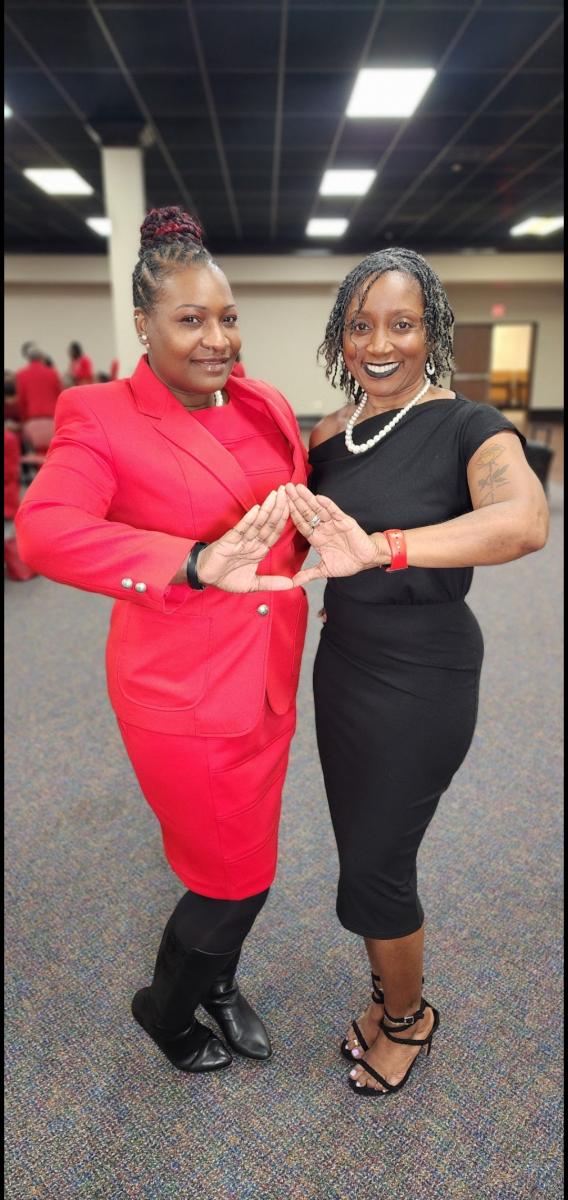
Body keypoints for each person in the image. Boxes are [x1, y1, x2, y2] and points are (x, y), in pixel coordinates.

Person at [16, 206, 309, 1075]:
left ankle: (218, 980)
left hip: (268, 679)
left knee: (244, 858)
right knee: (234, 877)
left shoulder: (264, 401)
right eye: (190, 319)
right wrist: (190, 561)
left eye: (227, 316)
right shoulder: (99, 414)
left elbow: (284, 518)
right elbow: (45, 529)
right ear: (143, 325)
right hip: (185, 696)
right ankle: (166, 1010)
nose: (217, 338)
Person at [284, 247, 548, 1099]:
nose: (380, 343)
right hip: (345, 664)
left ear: (432, 332)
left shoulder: (471, 426)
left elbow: (524, 522)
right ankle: (381, 994)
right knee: (362, 846)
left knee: (378, 864)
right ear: (341, 336)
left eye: (402, 324)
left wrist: (386, 547)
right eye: (361, 325)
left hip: (424, 673)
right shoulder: (329, 434)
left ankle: (408, 1019)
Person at [15, 343, 63, 422]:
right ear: (42, 358)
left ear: (29, 359)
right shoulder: (52, 373)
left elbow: (21, 399)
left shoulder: (21, 375)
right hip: (51, 418)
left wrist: (23, 419)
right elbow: (59, 395)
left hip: (32, 418)